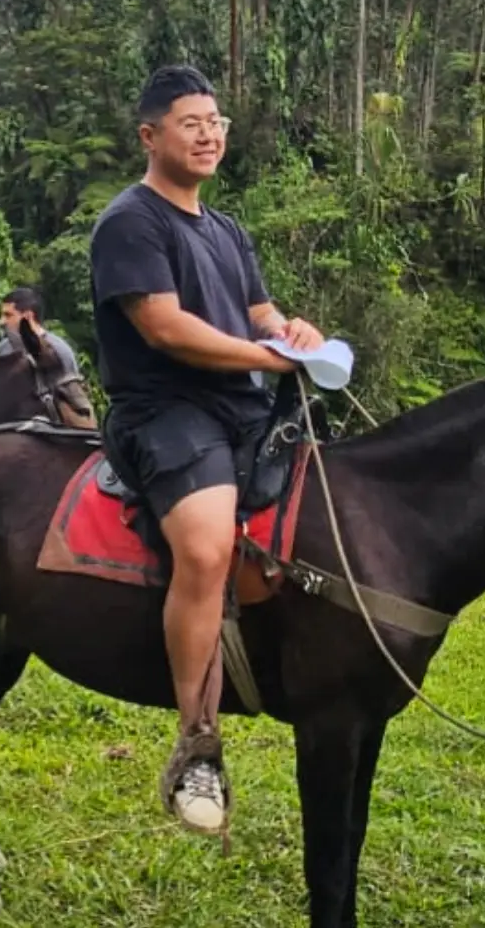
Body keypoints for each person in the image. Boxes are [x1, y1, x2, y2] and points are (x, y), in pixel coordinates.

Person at [89, 66, 323, 836]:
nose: (209, 133)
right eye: (191, 122)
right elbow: (164, 326)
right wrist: (265, 358)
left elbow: (259, 310)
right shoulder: (131, 222)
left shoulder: (224, 229)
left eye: (216, 120)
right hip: (165, 409)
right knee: (206, 544)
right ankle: (196, 744)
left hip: (243, 405)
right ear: (150, 135)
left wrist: (295, 333)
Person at [0, 286, 80, 373]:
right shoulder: (5, 347)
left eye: (8, 315)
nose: (1, 322)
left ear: (28, 316)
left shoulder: (59, 350)